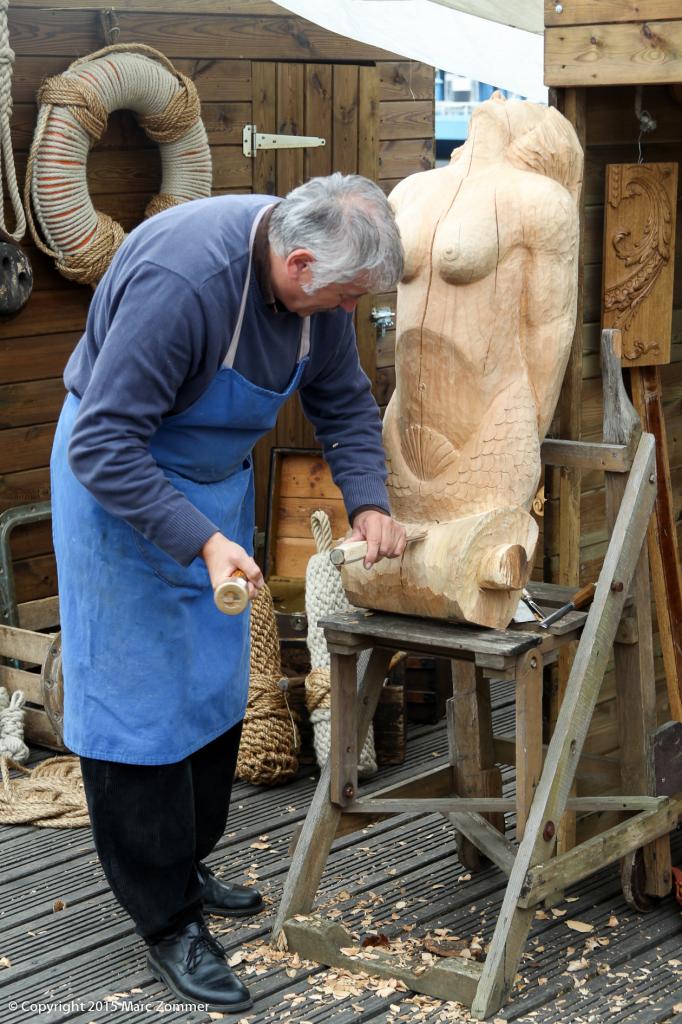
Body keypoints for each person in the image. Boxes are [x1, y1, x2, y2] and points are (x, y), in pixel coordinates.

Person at [50, 173, 406, 1014]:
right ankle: (165, 918)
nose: (348, 308)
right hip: (119, 493)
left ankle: (186, 862)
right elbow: (103, 442)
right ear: (300, 260)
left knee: (210, 694)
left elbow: (345, 402)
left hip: (209, 490)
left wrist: (370, 500)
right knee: (137, 710)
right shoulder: (186, 284)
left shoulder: (322, 292)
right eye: (347, 294)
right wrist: (203, 543)